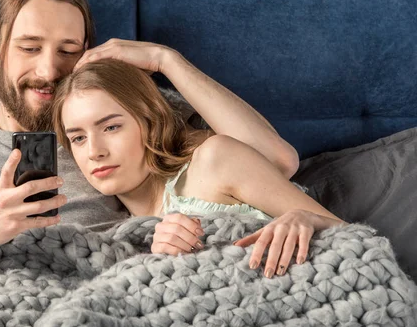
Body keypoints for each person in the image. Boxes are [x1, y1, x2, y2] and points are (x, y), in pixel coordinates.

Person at [0, 0, 299, 291]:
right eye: (30, 47)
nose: (48, 70)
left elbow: (277, 160)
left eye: (67, 51)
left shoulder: (120, 121)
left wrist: (166, 60)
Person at [52, 59, 347, 278]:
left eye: (111, 127)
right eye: (78, 137)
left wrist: (303, 217)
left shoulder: (213, 160)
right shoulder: (121, 239)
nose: (95, 151)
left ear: (150, 121)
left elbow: (350, 235)